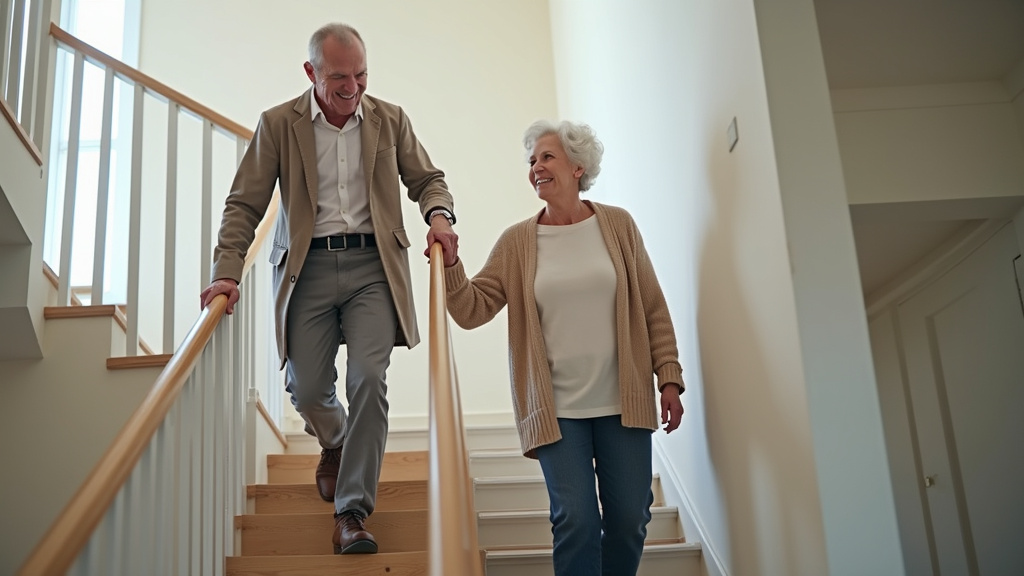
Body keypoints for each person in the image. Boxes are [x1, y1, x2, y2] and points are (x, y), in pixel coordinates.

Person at [200, 23, 458, 555]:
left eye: (361, 74)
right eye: (340, 76)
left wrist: (439, 215)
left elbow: (427, 179)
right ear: (311, 72)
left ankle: (351, 512)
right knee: (306, 387)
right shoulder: (278, 124)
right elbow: (244, 204)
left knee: (368, 379)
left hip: (373, 267)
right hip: (307, 267)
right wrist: (226, 270)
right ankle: (336, 441)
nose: (353, 87)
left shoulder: (390, 119)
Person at [443, 120, 684, 575]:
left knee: (631, 519)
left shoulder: (618, 225)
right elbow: (472, 310)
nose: (536, 167)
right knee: (575, 519)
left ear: (577, 167)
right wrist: (452, 263)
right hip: (557, 410)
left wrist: (668, 376)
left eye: (547, 157)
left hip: (623, 402)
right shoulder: (518, 242)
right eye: (531, 160)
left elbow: (653, 306)